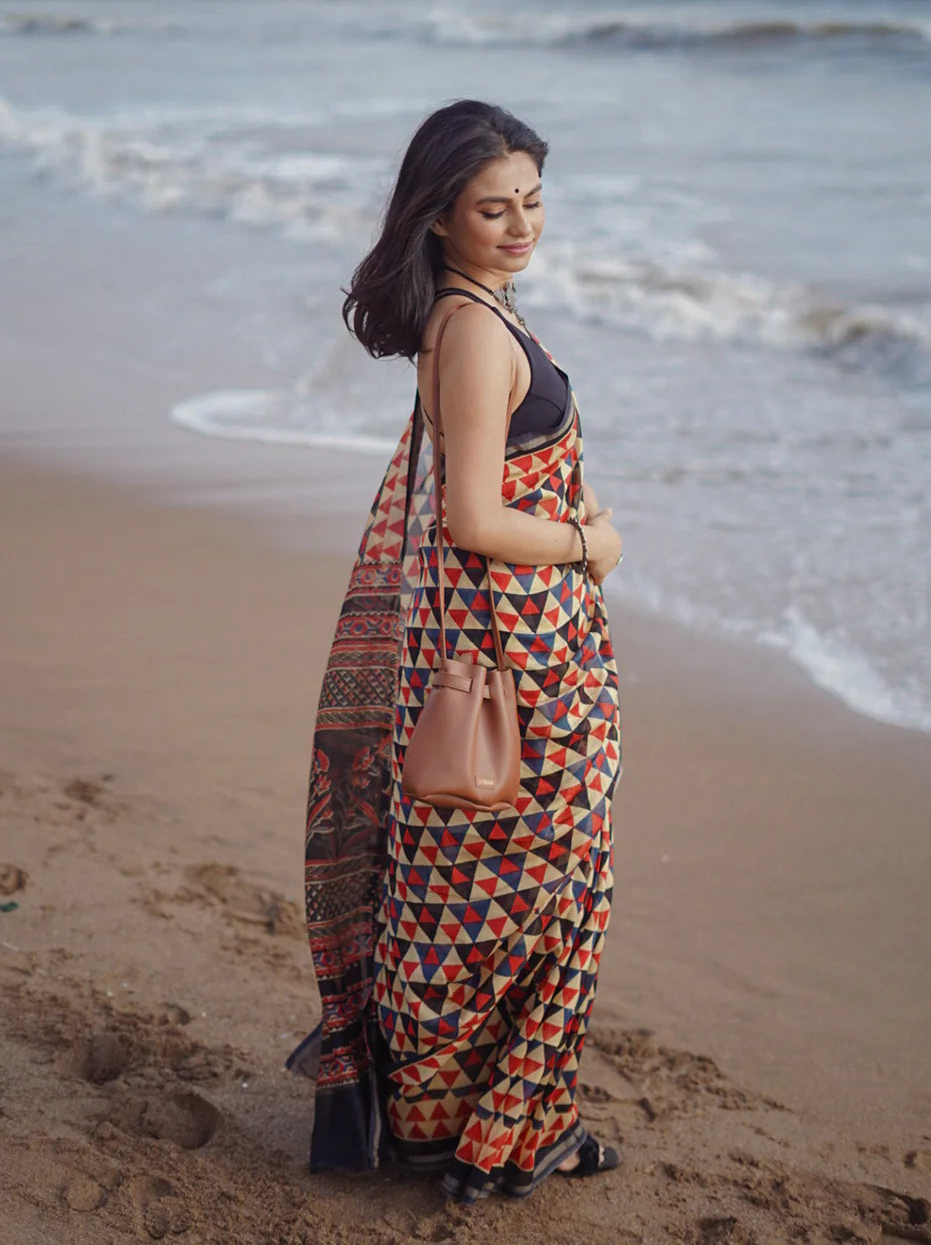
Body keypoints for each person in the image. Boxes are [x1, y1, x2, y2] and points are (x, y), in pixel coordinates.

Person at [288, 99, 623, 1204]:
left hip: (507, 652)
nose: (522, 223)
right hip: (518, 667)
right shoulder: (475, 333)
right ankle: (499, 1128)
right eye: (494, 208)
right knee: (535, 891)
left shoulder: (477, 310)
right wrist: (590, 541)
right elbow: (472, 519)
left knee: (485, 886)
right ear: (438, 218)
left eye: (532, 201)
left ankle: (453, 1118)